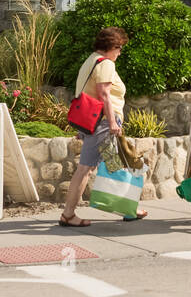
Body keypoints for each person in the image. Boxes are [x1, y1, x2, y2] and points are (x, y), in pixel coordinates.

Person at [61, 26, 146, 226]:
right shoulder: (106, 63)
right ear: (112, 47)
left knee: (116, 164)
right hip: (103, 123)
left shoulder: (90, 60)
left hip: (94, 121)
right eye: (119, 48)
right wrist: (112, 122)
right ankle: (68, 214)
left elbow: (85, 94)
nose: (120, 52)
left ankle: (128, 208)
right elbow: (104, 94)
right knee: (85, 168)